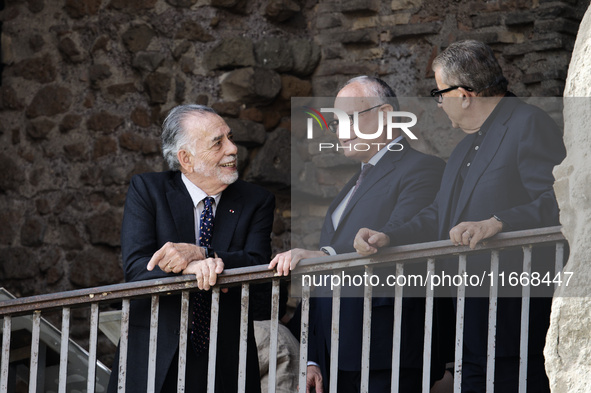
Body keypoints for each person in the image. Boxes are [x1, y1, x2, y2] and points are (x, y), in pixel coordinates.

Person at [354, 40, 566, 392]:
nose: (438, 103)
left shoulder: (528, 122)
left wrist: (498, 222)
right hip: (471, 317)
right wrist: (388, 235)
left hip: (519, 316)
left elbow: (559, 200)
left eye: (439, 93)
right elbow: (438, 213)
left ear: (464, 94)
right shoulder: (465, 146)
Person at [270, 76, 446, 392]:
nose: (338, 129)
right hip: (335, 353)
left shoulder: (423, 168)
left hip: (386, 345)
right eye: (335, 121)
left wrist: (326, 256)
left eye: (348, 118)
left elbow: (403, 232)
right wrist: (312, 357)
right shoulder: (350, 187)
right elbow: (324, 282)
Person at [107, 104, 275, 393]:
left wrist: (205, 255)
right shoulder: (148, 190)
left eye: (230, 138)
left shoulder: (256, 200)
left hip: (225, 360)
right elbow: (137, 269)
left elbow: (257, 265)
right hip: (154, 357)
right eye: (218, 143)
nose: (233, 149)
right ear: (186, 158)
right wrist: (188, 268)